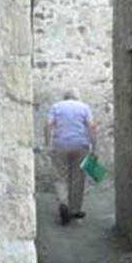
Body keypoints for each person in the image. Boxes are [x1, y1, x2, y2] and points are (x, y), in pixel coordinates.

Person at [44, 89, 97, 226]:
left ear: (65, 97)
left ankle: (63, 203)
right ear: (77, 98)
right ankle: (75, 210)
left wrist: (48, 144)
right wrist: (93, 145)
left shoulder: (56, 106)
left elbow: (49, 124)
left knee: (60, 176)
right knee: (78, 178)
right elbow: (91, 126)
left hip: (60, 145)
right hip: (80, 145)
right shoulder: (84, 107)